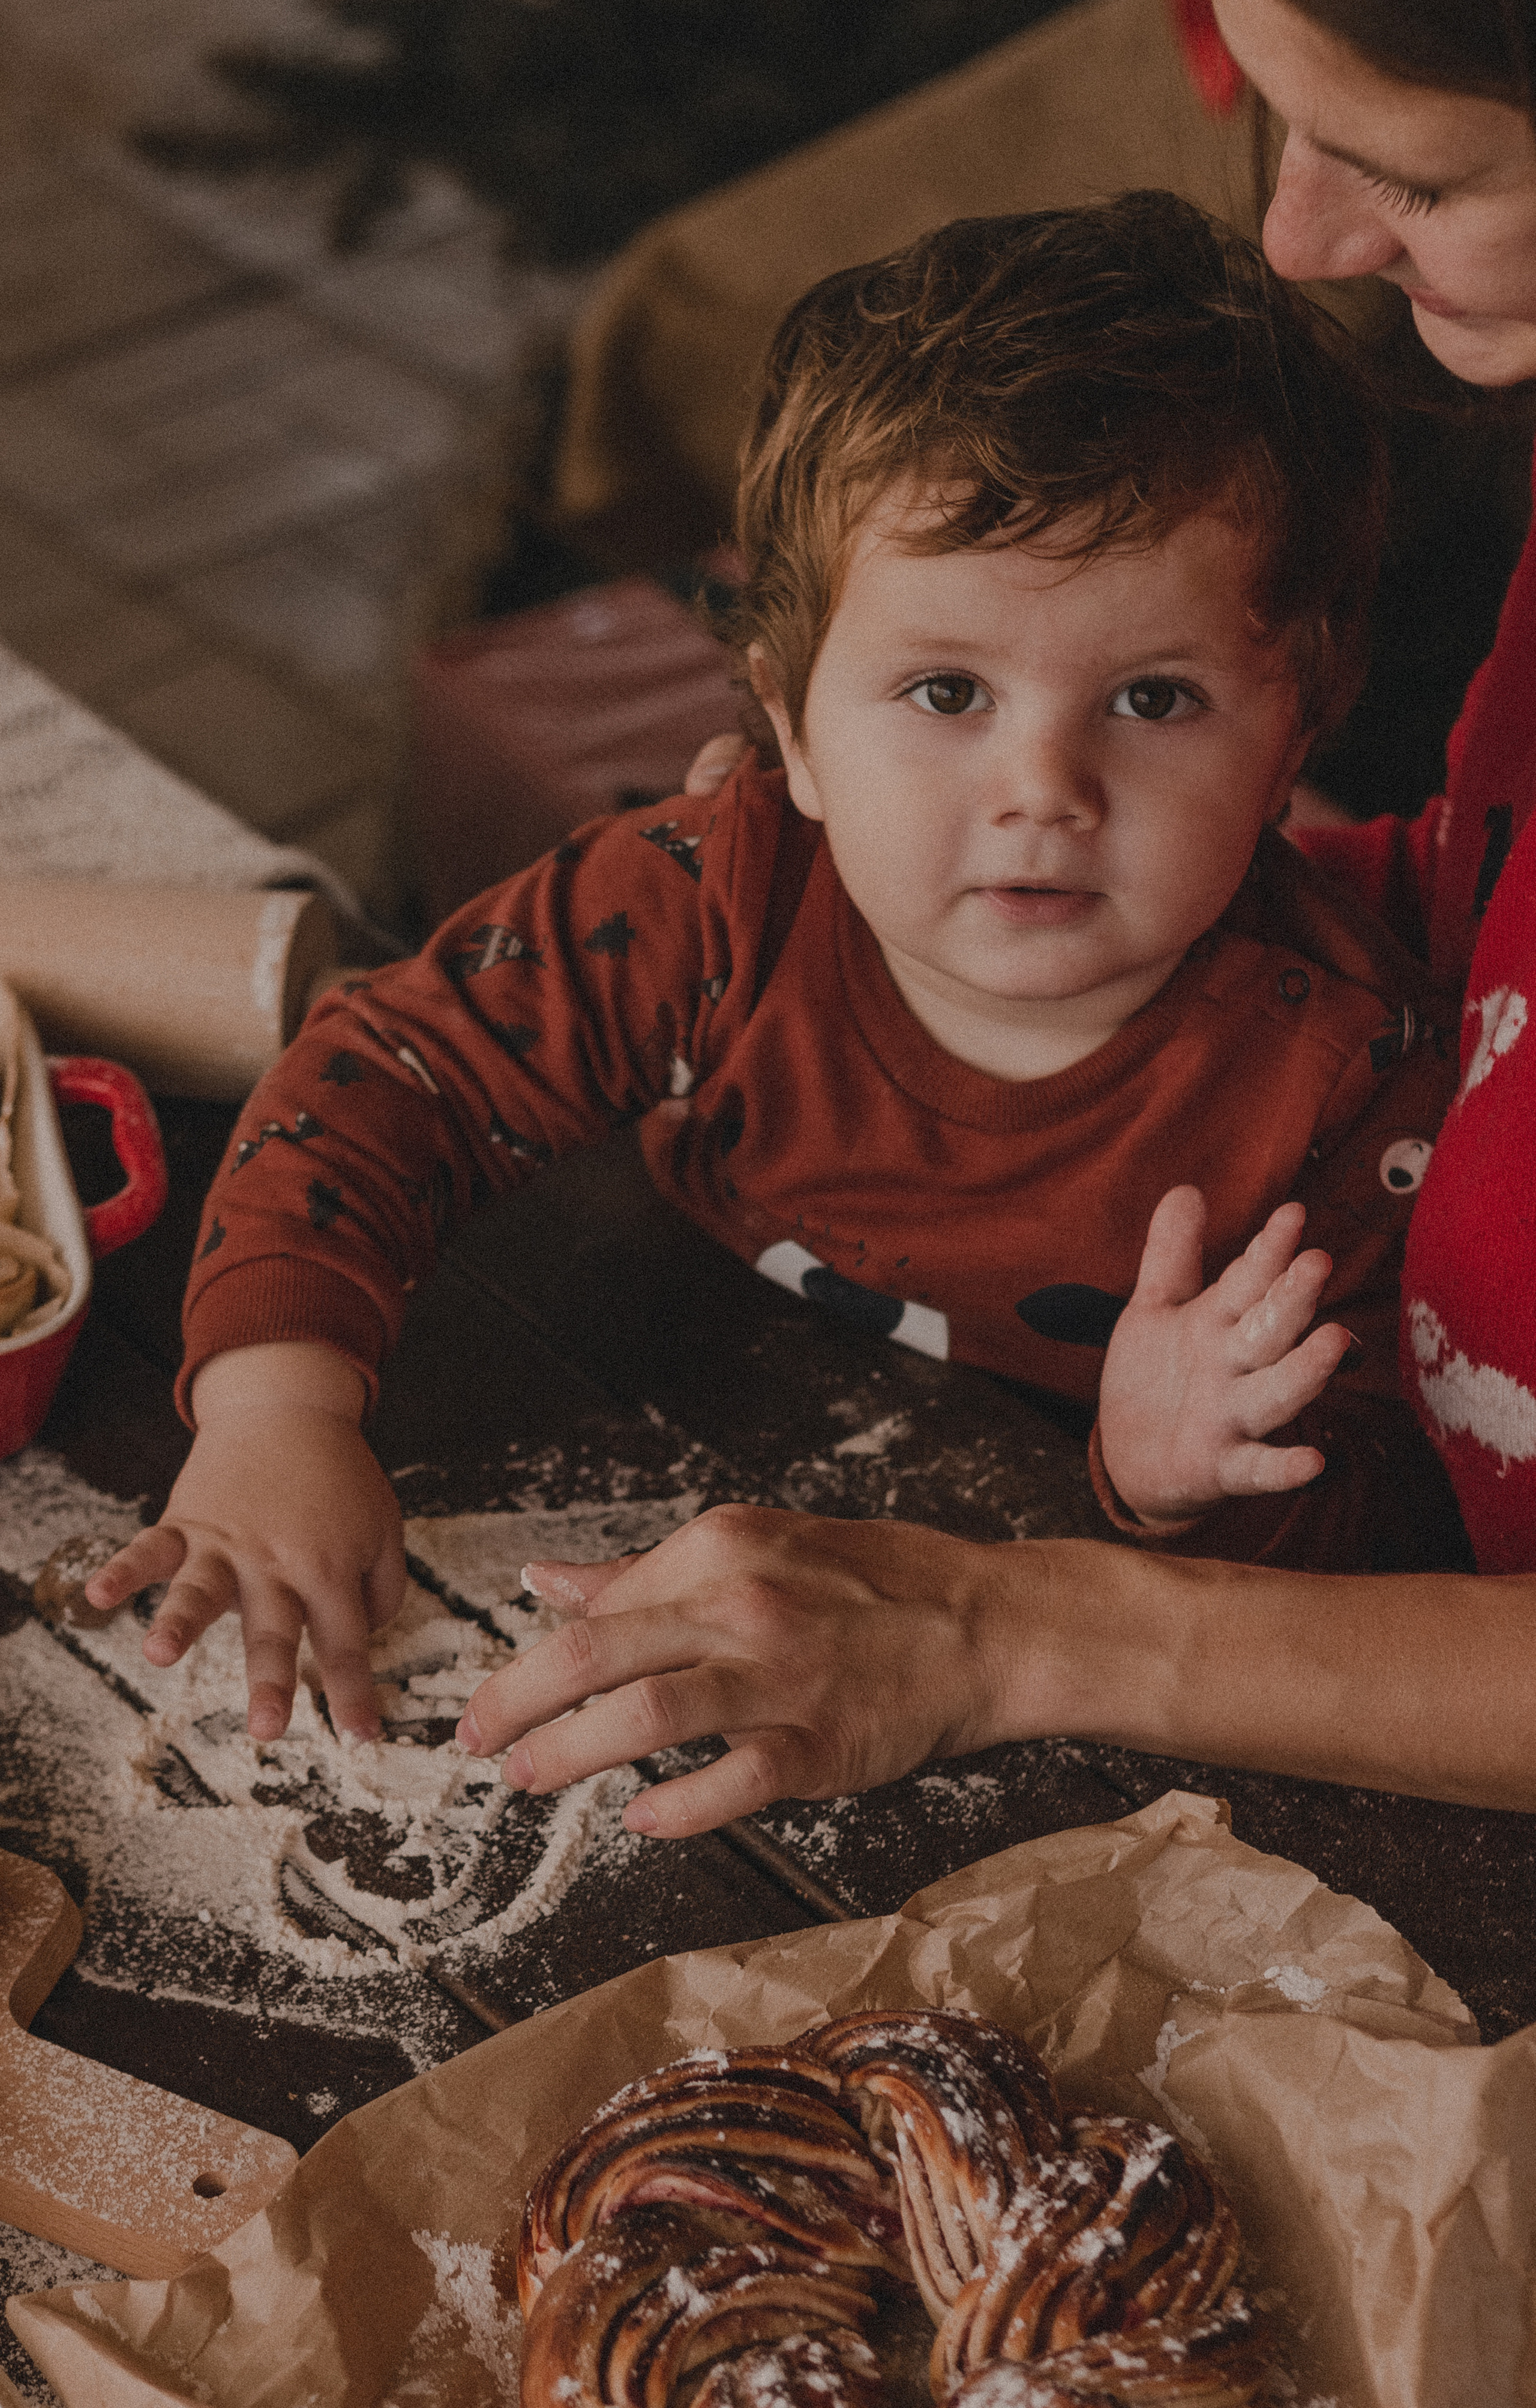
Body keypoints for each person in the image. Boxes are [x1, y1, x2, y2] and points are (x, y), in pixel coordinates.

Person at [85, 189, 1460, 1751]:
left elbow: (1372, 1576)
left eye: (1152, 700)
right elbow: (393, 1072)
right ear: (793, 730)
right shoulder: (719, 891)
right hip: (657, 1420)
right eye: (948, 688)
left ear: (1296, 737)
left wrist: (1172, 1476)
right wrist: (276, 1410)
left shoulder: (1349, 1085)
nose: (1044, 789)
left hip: (1010, 1674)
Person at [408, 0, 1536, 1843]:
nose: (1304, 238)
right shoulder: (770, 893)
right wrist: (1004, 910)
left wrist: (1031, 1622)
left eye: (1419, 169)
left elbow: (1342, 1504)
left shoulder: (1338, 1146)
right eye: (1272, 116)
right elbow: (1503, 892)